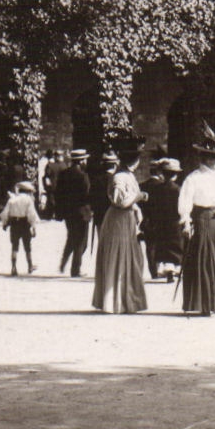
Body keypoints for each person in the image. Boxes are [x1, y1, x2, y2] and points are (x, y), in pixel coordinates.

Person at [179, 125, 215, 316]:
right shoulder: (193, 178)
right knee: (204, 261)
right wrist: (186, 221)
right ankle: (204, 303)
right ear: (208, 159)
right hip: (202, 221)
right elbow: (185, 202)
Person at [92, 131, 149, 313]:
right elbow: (120, 201)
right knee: (120, 255)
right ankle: (116, 301)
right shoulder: (119, 177)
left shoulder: (126, 175)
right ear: (134, 160)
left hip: (126, 220)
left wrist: (136, 206)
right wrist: (139, 196)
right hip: (119, 220)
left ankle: (125, 299)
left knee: (127, 256)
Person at [141, 155, 183, 280]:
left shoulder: (157, 189)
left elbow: (153, 207)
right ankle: (174, 268)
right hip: (175, 223)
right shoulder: (178, 190)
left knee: (164, 247)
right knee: (175, 247)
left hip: (161, 224)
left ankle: (166, 268)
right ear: (175, 175)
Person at [56, 149, 93, 276]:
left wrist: (60, 211)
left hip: (68, 212)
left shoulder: (63, 174)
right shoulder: (83, 176)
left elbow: (58, 193)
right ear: (82, 160)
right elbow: (87, 195)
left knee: (72, 237)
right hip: (81, 212)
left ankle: (64, 261)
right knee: (81, 241)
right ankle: (75, 269)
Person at [1, 180, 40, 276]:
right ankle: (30, 265)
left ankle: (14, 267)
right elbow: (31, 215)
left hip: (14, 224)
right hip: (24, 224)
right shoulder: (28, 200)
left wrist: (5, 223)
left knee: (14, 246)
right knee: (27, 246)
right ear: (27, 191)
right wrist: (34, 227)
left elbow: (5, 213)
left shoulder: (12, 200)